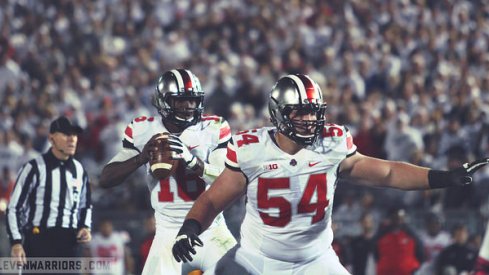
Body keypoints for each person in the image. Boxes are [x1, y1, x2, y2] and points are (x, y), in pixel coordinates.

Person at [171, 74, 489, 274]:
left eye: (314, 111)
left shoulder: (333, 143)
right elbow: (213, 199)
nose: (310, 119)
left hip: (315, 261)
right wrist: (190, 227)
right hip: (258, 260)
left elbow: (389, 173)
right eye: (301, 111)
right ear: (278, 114)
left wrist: (443, 177)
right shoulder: (251, 148)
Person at [99, 69, 236, 275]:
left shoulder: (212, 127)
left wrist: (193, 162)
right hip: (167, 233)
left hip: (212, 229)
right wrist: (141, 157)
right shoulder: (143, 129)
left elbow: (226, 179)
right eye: (180, 101)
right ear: (164, 101)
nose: (189, 106)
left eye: (192, 100)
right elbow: (106, 178)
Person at [6, 116, 92, 265]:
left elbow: (85, 205)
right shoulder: (34, 168)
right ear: (51, 138)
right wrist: (16, 242)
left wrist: (85, 226)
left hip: (70, 243)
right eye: (65, 134)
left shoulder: (80, 170)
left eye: (74, 135)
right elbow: (14, 207)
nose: (72, 139)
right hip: (39, 240)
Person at [374, 207, 424, 275]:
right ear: (391, 218)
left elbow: (420, 253)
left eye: (401, 217)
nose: (398, 220)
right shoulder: (382, 235)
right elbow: (376, 254)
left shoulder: (411, 234)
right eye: (396, 217)